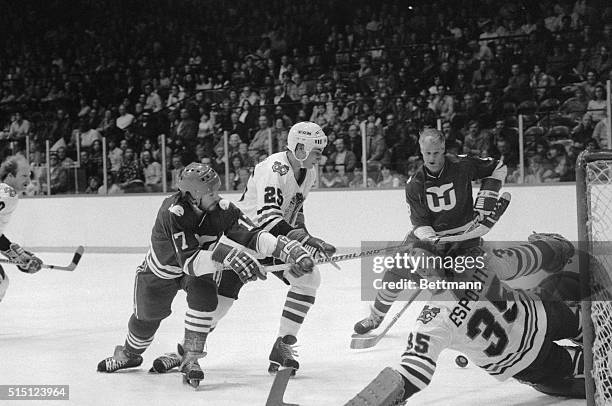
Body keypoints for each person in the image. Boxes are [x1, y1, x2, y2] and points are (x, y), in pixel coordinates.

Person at [97, 163, 314, 387]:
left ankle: (191, 357)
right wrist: (227, 256)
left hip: (199, 268)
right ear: (193, 196)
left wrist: (285, 249)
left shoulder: (221, 208)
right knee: (147, 319)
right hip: (162, 273)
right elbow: (190, 262)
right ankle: (129, 354)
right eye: (210, 192)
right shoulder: (173, 212)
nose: (217, 196)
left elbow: (252, 235)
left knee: (205, 300)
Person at [346, 234, 583, 405]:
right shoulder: (477, 263)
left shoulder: (432, 320)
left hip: (526, 356)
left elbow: (414, 371)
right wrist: (552, 247)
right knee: (583, 322)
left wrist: (397, 392)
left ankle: (581, 360)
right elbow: (521, 259)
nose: (423, 267)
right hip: (540, 326)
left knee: (582, 364)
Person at [354, 127, 507, 334]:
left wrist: (486, 199)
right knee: (396, 268)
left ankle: (477, 322)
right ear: (421, 151)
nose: (432, 158)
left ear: (443, 148)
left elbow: (499, 166)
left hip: (465, 238)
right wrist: (431, 239)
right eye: (427, 153)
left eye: (436, 152)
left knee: (468, 283)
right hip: (432, 239)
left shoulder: (462, 165)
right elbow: (420, 224)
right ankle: (376, 317)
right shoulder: (415, 183)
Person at [217, 121, 337, 376]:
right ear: (300, 148)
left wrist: (307, 237)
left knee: (308, 278)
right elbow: (270, 219)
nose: (320, 157)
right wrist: (304, 243)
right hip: (244, 242)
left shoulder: (308, 172)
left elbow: (295, 209)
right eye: (317, 151)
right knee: (217, 307)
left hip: (273, 243)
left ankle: (282, 345)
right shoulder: (273, 168)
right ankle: (185, 351)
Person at [0, 155, 43, 302]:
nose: (28, 181)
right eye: (24, 175)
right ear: (10, 175)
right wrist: (16, 255)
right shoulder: (8, 195)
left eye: (29, 175)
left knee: (2, 283)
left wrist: (17, 255)